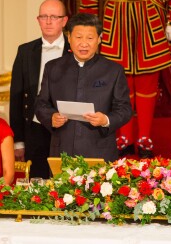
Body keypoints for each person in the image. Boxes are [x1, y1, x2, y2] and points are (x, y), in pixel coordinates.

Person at [80, 0, 171, 158]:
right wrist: (88, 22)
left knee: (148, 79)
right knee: (120, 79)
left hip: (149, 16)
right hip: (115, 16)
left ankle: (144, 138)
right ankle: (125, 138)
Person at [35, 13, 132, 161]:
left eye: (90, 38)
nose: (84, 43)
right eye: (78, 37)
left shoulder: (113, 70)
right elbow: (41, 104)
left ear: (99, 39)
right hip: (62, 151)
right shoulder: (53, 68)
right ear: (69, 38)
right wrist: (51, 117)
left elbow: (125, 109)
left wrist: (105, 119)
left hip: (100, 152)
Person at [9, 0, 70, 179]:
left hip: (67, 127)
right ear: (38, 20)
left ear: (64, 20)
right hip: (34, 128)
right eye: (44, 16)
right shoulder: (26, 51)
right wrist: (18, 140)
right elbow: (16, 96)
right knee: (37, 183)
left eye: (54, 16)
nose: (48, 21)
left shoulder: (75, 49)